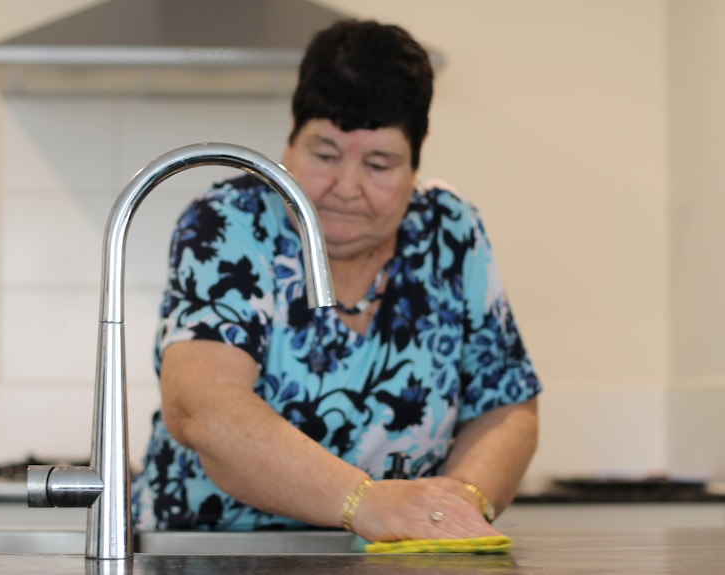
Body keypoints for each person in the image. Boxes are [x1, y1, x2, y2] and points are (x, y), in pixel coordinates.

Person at [131, 18, 541, 543]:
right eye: (324, 155)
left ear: (417, 158)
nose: (345, 188)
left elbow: (506, 405)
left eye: (379, 163)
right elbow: (201, 407)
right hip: (212, 551)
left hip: (394, 558)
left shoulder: (449, 228)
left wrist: (452, 505)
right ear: (291, 139)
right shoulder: (227, 222)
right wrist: (363, 502)